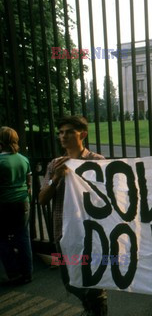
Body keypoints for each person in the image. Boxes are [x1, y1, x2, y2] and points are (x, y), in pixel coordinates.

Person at [38, 116, 107, 316]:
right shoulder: (55, 165)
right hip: (63, 232)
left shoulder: (97, 162)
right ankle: (91, 305)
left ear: (82, 134)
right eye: (60, 132)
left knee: (94, 278)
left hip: (91, 232)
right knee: (70, 281)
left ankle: (98, 307)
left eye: (68, 131)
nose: (63, 136)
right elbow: (42, 199)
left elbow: (107, 198)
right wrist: (56, 178)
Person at [0, 126, 33, 285]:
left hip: (4, 204)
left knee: (2, 239)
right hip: (23, 202)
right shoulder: (23, 159)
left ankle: (13, 273)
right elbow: (29, 183)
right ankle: (28, 274)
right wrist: (28, 198)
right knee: (23, 237)